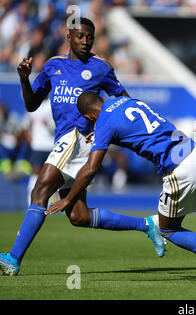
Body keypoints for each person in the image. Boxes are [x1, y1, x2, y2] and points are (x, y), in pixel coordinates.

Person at [0, 17, 164, 276]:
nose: (86, 41)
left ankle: (13, 258)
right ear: (69, 38)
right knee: (79, 216)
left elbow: (125, 103)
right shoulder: (53, 66)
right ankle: (146, 224)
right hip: (64, 142)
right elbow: (32, 105)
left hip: (78, 140)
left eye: (90, 37)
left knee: (40, 191)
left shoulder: (101, 68)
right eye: (80, 36)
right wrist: (24, 80)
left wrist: (106, 131)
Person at [45, 92, 196, 281]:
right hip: (193, 152)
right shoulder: (124, 101)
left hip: (177, 168)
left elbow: (90, 169)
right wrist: (102, 134)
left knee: (167, 229)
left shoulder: (103, 123)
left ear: (89, 117)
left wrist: (68, 198)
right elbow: (136, 131)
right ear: (102, 99)